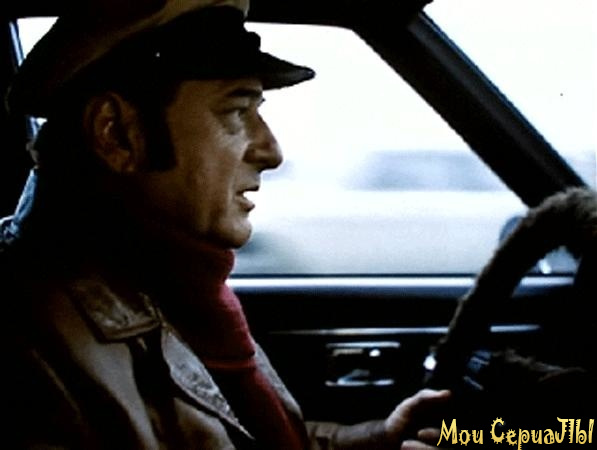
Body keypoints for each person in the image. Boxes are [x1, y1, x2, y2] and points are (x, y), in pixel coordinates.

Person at [0, 0, 450, 448]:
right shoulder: (28, 354)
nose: (272, 152)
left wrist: (378, 439)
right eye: (236, 113)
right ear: (117, 134)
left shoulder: (175, 288)